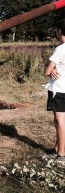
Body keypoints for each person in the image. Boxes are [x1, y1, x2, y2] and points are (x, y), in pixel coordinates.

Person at [44, 18, 65, 163]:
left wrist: (51, 71)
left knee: (59, 121)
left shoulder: (60, 49)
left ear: (60, 31)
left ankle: (61, 155)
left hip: (59, 90)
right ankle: (57, 148)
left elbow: (47, 71)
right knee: (60, 122)